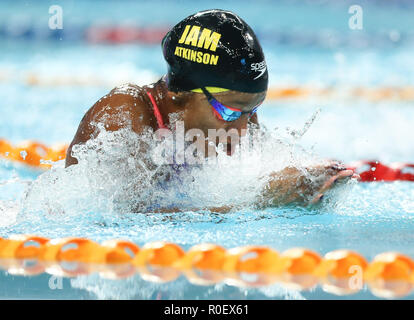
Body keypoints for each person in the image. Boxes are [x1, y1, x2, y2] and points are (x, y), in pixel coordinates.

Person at [65, 9, 358, 211]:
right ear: (180, 94)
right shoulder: (123, 117)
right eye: (229, 113)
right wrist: (264, 199)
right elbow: (111, 220)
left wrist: (309, 182)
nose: (243, 131)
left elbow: (268, 172)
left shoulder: (240, 120)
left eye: (253, 110)